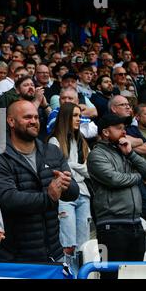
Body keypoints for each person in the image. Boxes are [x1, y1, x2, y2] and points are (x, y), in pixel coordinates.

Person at [0, 100, 79, 263]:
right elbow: (7, 199)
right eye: (27, 117)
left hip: (53, 253)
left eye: (36, 117)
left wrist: (65, 185)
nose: (34, 121)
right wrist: (48, 197)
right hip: (16, 258)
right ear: (11, 121)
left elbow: (73, 192)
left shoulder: (52, 151)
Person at [87, 113, 146, 279]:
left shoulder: (125, 152)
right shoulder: (96, 155)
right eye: (118, 128)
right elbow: (113, 179)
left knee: (134, 276)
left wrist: (131, 154)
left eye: (124, 128)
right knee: (109, 276)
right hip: (110, 227)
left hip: (135, 225)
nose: (124, 132)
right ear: (105, 132)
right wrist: (138, 177)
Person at [48, 102, 92, 276]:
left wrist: (70, 165)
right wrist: (75, 167)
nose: (78, 119)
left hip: (84, 194)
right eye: (74, 115)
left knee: (83, 245)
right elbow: (56, 171)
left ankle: (81, 275)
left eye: (79, 115)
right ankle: (67, 276)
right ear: (65, 118)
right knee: (68, 243)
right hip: (65, 195)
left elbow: (90, 170)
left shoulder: (82, 141)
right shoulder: (54, 141)